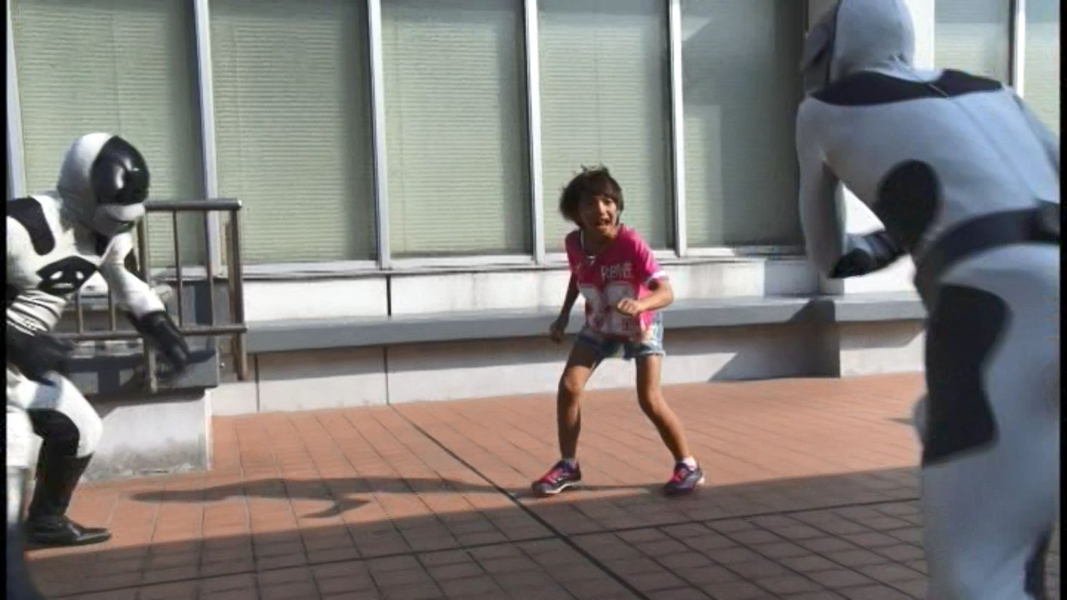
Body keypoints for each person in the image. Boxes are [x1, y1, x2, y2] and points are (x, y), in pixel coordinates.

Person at [796, 1, 1059, 598]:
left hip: (994, 301)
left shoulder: (822, 109)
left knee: (981, 567)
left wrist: (901, 232)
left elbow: (830, 255)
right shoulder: (998, 92)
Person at [7, 133, 191, 598]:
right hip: (16, 358)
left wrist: (165, 333)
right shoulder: (19, 224)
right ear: (81, 190)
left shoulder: (109, 232)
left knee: (81, 430)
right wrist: (17, 341)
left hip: (21, 368)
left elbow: (129, 286)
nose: (114, 225)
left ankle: (46, 521)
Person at [532, 167, 704, 498]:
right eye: (590, 204)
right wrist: (563, 316)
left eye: (608, 201)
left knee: (649, 398)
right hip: (600, 323)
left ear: (618, 206)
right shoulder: (574, 243)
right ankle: (568, 465)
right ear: (576, 214)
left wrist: (640, 305)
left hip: (641, 325)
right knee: (569, 387)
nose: (601, 210)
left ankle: (688, 465)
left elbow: (666, 292)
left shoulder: (631, 243)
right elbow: (578, 275)